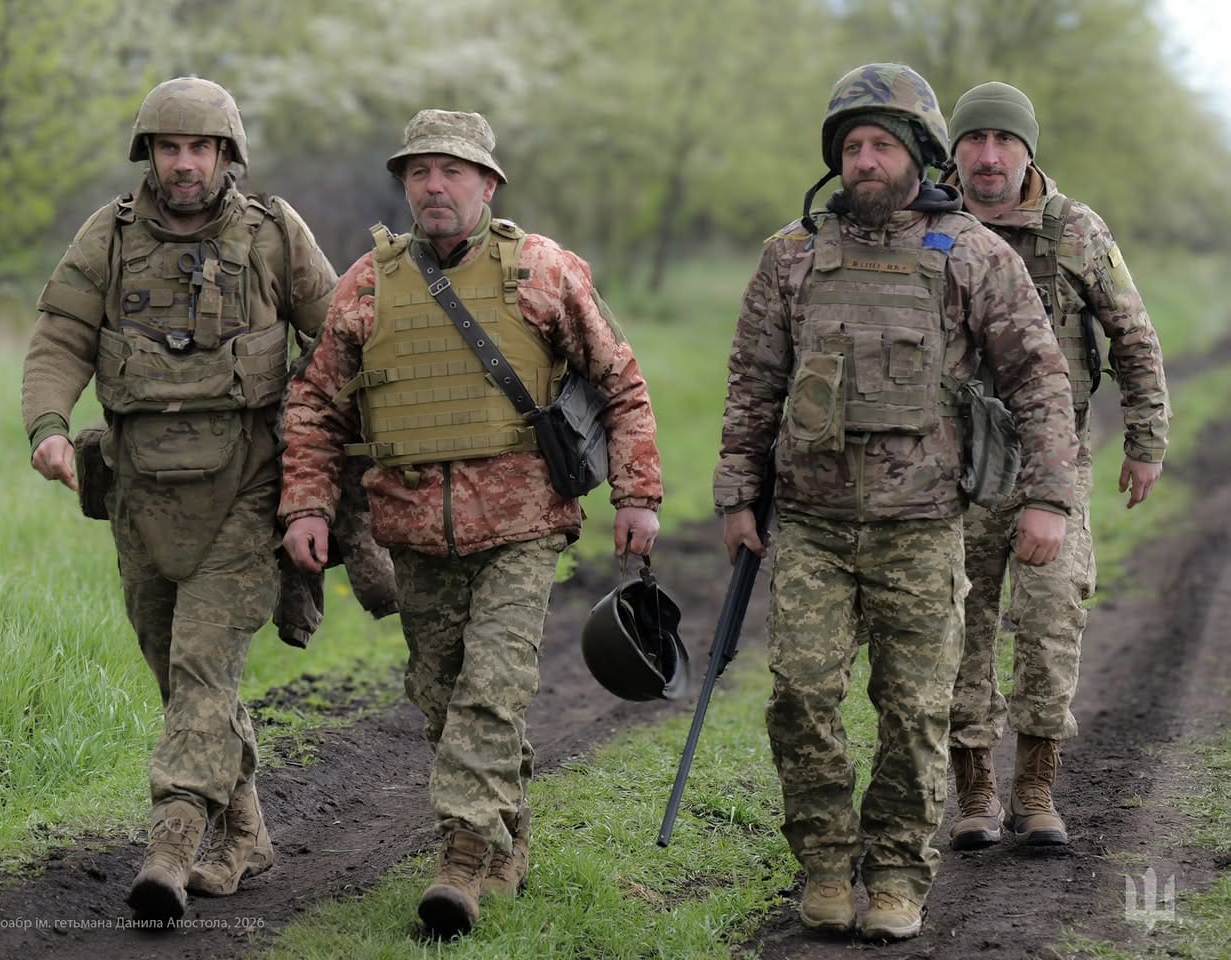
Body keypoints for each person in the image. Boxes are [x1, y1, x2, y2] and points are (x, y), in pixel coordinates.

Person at [714, 63, 1079, 941]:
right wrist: (737, 496)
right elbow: (754, 382)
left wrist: (1049, 497)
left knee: (915, 712)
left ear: (918, 152)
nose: (865, 161)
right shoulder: (792, 255)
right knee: (800, 697)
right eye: (851, 147)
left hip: (922, 526)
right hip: (811, 522)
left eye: (881, 144)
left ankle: (896, 875)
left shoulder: (973, 254)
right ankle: (825, 864)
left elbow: (1038, 379)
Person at [279, 109, 663, 939]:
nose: (434, 186)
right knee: (442, 698)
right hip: (414, 531)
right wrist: (308, 506)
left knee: (493, 687)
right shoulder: (367, 286)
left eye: (452, 171)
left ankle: (459, 862)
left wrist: (638, 494)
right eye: (419, 172)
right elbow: (313, 404)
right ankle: (506, 832)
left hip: (524, 525)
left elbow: (620, 382)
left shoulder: (543, 271)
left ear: (488, 185)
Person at [20, 77, 340, 924]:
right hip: (140, 495)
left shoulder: (273, 235)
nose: (185, 163)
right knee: (181, 677)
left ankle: (170, 845)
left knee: (203, 663)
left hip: (249, 489)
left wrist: (324, 456)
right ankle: (247, 833)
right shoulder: (110, 235)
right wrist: (50, 427)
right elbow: (60, 337)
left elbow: (341, 336)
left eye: (201, 147)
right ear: (149, 155)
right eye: (170, 147)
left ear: (227, 155)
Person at [940, 82, 1170, 851]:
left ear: (1028, 150)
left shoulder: (1075, 230)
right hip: (954, 462)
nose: (989, 155)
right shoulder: (929, 226)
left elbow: (1132, 336)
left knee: (1051, 615)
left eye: (1004, 140)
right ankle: (975, 791)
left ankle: (1036, 790)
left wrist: (1146, 440)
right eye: (975, 140)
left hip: (1053, 455)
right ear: (954, 150)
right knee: (957, 623)